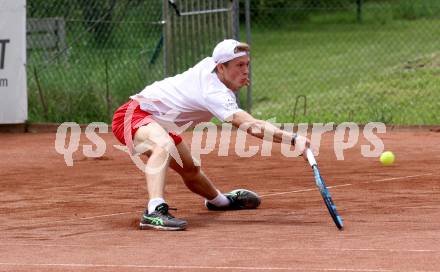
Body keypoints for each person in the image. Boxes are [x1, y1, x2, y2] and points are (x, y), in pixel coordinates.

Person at [112, 39, 311, 231]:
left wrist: (234, 79)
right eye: (239, 65)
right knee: (161, 145)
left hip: (159, 123)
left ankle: (221, 202)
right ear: (221, 68)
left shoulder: (213, 67)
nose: (245, 70)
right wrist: (294, 139)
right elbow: (251, 125)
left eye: (247, 64)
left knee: (190, 170)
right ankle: (154, 211)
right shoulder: (213, 92)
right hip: (132, 115)